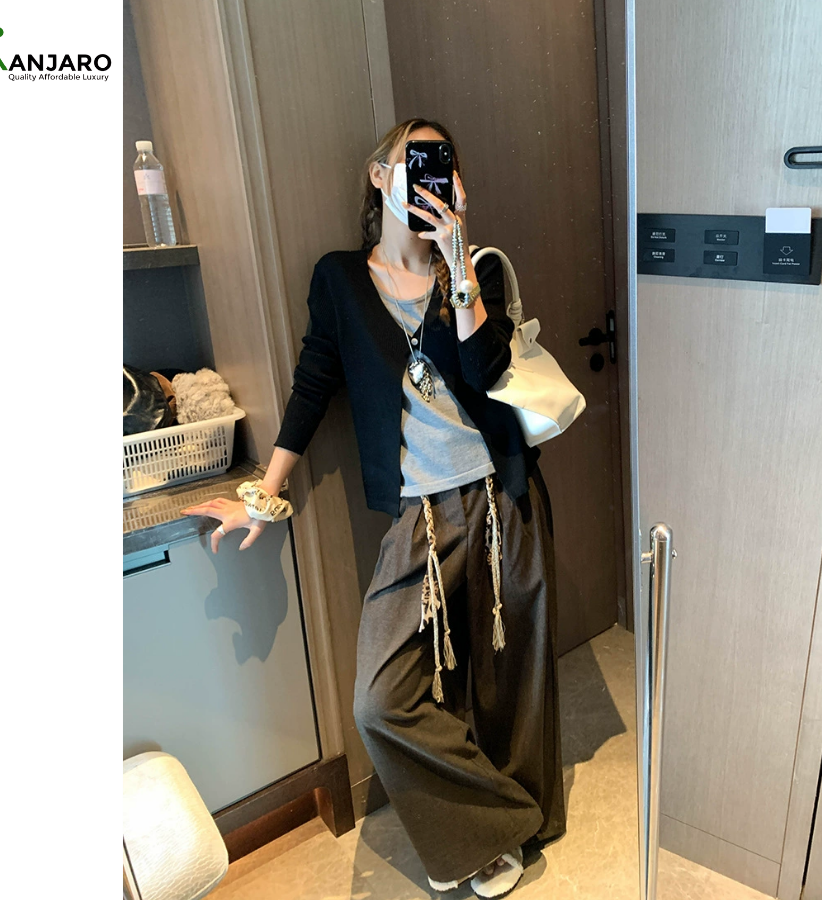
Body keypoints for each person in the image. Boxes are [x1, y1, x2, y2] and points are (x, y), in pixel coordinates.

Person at [182, 118, 566, 897]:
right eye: (411, 161)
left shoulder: (474, 274)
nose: (427, 175)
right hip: (419, 517)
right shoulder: (340, 280)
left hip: (503, 498)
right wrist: (266, 494)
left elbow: (486, 371)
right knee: (381, 701)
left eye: (441, 164)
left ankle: (516, 832)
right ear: (379, 175)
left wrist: (457, 260)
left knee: (510, 681)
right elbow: (313, 384)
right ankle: (502, 822)